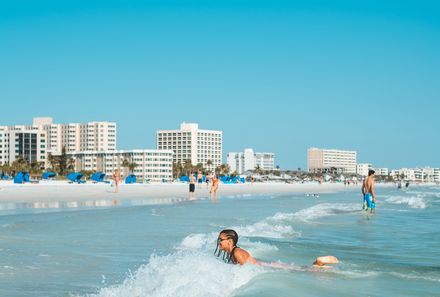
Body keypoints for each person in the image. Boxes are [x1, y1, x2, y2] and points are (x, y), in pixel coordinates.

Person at [215, 229, 339, 268]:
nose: (219, 242)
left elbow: (247, 269)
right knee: (301, 269)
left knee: (301, 270)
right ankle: (318, 264)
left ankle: (318, 262)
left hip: (269, 266)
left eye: (221, 239)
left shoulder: (237, 252)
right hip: (268, 265)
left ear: (230, 241)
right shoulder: (233, 252)